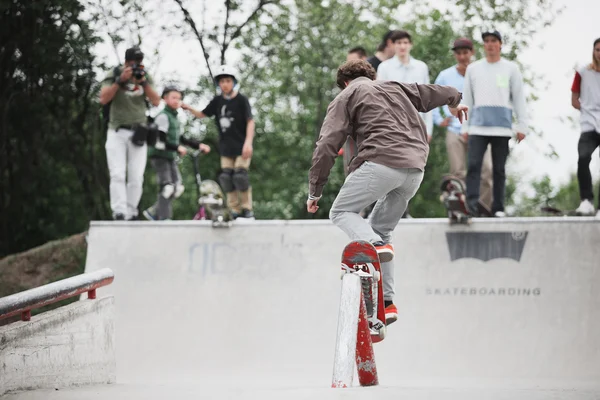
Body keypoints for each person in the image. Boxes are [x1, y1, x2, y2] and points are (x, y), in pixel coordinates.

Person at [306, 60, 466, 325]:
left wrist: (315, 191)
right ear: (372, 76)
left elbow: (326, 145)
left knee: (341, 211)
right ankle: (387, 304)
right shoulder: (396, 87)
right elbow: (440, 91)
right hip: (415, 170)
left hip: (381, 163)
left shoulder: (346, 96)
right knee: (382, 229)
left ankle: (375, 246)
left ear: (345, 82)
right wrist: (455, 102)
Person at [460, 30, 528, 217]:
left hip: (502, 128)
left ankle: (498, 208)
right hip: (478, 127)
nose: (490, 44)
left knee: (499, 169)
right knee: (474, 166)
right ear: (483, 45)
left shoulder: (510, 68)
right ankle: (471, 206)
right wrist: (465, 126)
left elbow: (519, 98)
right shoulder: (473, 69)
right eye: (486, 41)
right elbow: (468, 98)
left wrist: (522, 126)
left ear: (500, 44)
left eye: (493, 41)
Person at [182, 65, 255, 219]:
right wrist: (188, 108)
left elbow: (250, 121)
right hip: (226, 148)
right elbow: (202, 114)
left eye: (228, 81)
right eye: (222, 82)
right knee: (227, 177)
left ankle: (247, 209)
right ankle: (234, 210)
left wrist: (248, 143)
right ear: (219, 84)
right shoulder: (217, 101)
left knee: (240, 176)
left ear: (233, 82)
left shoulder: (241, 100)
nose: (225, 84)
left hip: (242, 146)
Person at [100, 46, 161, 220]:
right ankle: (119, 211)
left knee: (136, 176)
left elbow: (157, 101)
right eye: (133, 62)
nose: (136, 66)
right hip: (116, 131)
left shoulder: (145, 75)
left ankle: (131, 211)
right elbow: (103, 99)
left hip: (138, 134)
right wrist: (120, 81)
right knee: (117, 173)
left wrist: (143, 82)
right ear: (126, 62)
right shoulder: (113, 74)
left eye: (139, 62)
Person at [433, 38, 493, 214]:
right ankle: (460, 208)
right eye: (458, 53)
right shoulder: (446, 75)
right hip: (455, 129)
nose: (462, 57)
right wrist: (439, 118)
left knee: (486, 170)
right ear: (455, 55)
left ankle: (483, 207)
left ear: (472, 53)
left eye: (465, 53)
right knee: (458, 172)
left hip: (479, 130)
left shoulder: (481, 73)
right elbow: (433, 96)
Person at [143, 86, 211, 221]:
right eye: (173, 97)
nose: (176, 101)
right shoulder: (163, 116)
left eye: (179, 98)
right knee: (167, 187)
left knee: (178, 188)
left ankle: (154, 211)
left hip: (170, 157)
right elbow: (159, 142)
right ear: (165, 98)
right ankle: (163, 217)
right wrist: (177, 148)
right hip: (159, 156)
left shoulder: (174, 118)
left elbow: (180, 138)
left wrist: (198, 145)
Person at [376, 30, 433, 141]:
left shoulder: (421, 67)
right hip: (393, 125)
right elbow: (380, 99)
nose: (402, 46)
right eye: (399, 42)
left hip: (417, 124)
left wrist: (428, 129)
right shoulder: (384, 67)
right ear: (393, 45)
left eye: (405, 42)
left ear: (410, 44)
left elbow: (427, 98)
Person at [571, 38, 600, 217]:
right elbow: (574, 99)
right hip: (589, 124)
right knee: (583, 158)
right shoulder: (583, 72)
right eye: (598, 50)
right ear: (593, 51)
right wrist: (587, 110)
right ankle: (586, 201)